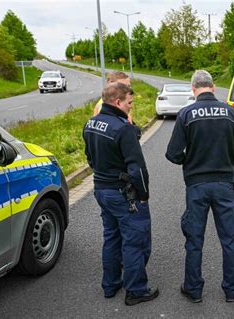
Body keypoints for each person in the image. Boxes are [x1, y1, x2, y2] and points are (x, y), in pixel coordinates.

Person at [166, 70, 234, 303]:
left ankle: (194, 289)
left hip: (197, 185)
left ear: (193, 89)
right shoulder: (231, 113)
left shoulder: (186, 114)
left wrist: (189, 161)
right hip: (225, 185)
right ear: (212, 87)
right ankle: (231, 289)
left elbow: (172, 153)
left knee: (194, 240)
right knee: (229, 239)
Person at [83, 82, 159, 306]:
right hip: (123, 194)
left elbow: (90, 157)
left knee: (111, 238)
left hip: (101, 190)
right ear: (117, 102)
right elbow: (137, 168)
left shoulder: (91, 123)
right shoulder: (122, 128)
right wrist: (143, 194)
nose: (130, 107)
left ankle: (110, 284)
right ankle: (136, 290)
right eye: (129, 103)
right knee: (135, 241)